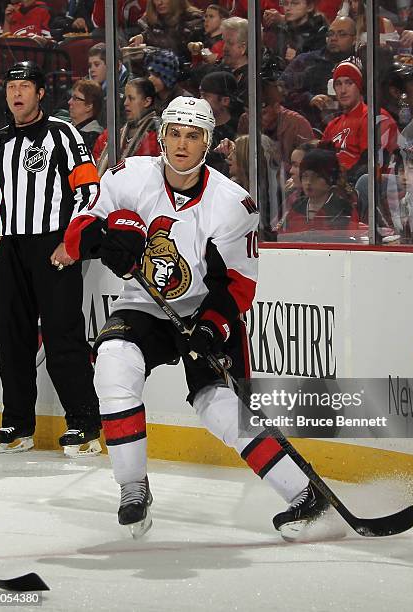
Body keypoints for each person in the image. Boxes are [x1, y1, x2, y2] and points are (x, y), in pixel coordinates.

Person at [61, 95, 330, 539]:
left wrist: (211, 326)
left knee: (220, 407)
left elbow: (238, 286)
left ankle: (304, 494)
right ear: (161, 135)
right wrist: (102, 239)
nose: (182, 144)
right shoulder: (128, 177)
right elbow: (78, 229)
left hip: (204, 309)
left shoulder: (231, 204)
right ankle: (132, 487)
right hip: (144, 304)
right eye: (175, 133)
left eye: (194, 135)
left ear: (208, 142)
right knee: (113, 364)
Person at [0, 61, 101, 457]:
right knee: (11, 338)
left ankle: (84, 424)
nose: (16, 93)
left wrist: (72, 241)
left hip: (53, 248)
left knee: (63, 335)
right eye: (12, 86)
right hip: (11, 249)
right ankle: (17, 424)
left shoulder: (63, 134)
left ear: (41, 93)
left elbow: (89, 190)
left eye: (25, 86)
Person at [94, 78, 160, 176]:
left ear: (147, 102)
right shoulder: (113, 133)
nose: (125, 103)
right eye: (125, 98)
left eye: (131, 98)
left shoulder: (158, 135)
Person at [68, 79, 104, 152]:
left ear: (89, 106)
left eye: (75, 98)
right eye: (71, 97)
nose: (69, 102)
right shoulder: (65, 127)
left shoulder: (94, 137)